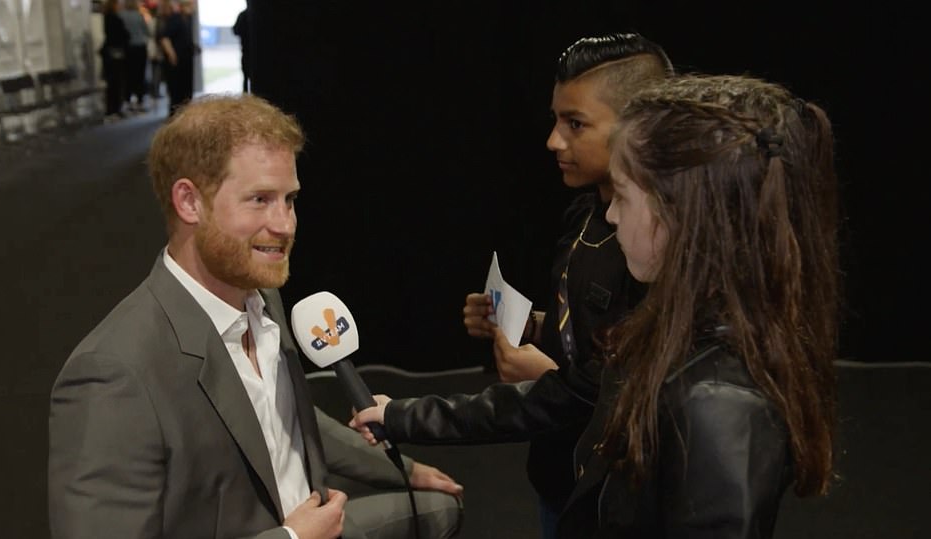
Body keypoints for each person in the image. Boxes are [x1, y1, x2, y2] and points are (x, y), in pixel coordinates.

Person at [352, 73, 841, 538]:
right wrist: (406, 415)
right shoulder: (667, 327)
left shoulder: (715, 404)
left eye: (624, 198)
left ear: (685, 215)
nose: (608, 214)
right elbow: (582, 394)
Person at [48, 94, 463, 539]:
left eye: (290, 199)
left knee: (442, 508)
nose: (285, 225)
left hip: (317, 524)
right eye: (260, 199)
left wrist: (404, 469)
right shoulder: (113, 374)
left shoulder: (263, 294)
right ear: (190, 202)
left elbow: (285, 417)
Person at [461, 33, 672, 537]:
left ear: (639, 128)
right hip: (562, 481)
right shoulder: (584, 211)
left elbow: (647, 391)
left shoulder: (658, 250)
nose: (554, 141)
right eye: (556, 120)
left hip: (620, 500)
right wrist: (531, 328)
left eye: (575, 124)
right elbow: (590, 330)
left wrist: (552, 378)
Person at [158, 0, 199, 116]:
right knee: (177, 91)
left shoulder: (187, 20)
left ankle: (184, 114)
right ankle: (174, 115)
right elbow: (164, 38)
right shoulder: (176, 18)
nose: (194, 8)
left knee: (186, 90)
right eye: (192, 5)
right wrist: (172, 55)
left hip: (185, 60)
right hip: (176, 62)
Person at [119, 0, 151, 112]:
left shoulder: (121, 15)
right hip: (140, 48)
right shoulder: (139, 15)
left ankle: (128, 100)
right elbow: (147, 32)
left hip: (127, 49)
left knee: (128, 75)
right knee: (140, 75)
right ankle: (140, 101)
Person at [99, 0, 130, 119]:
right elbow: (122, 35)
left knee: (114, 83)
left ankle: (114, 108)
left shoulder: (108, 18)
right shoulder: (113, 18)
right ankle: (114, 109)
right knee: (115, 83)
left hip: (112, 54)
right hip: (115, 54)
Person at [233, 5, 253, 93]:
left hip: (247, 53)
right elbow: (235, 30)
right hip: (248, 53)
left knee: (246, 78)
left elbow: (235, 30)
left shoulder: (243, 15)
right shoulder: (245, 15)